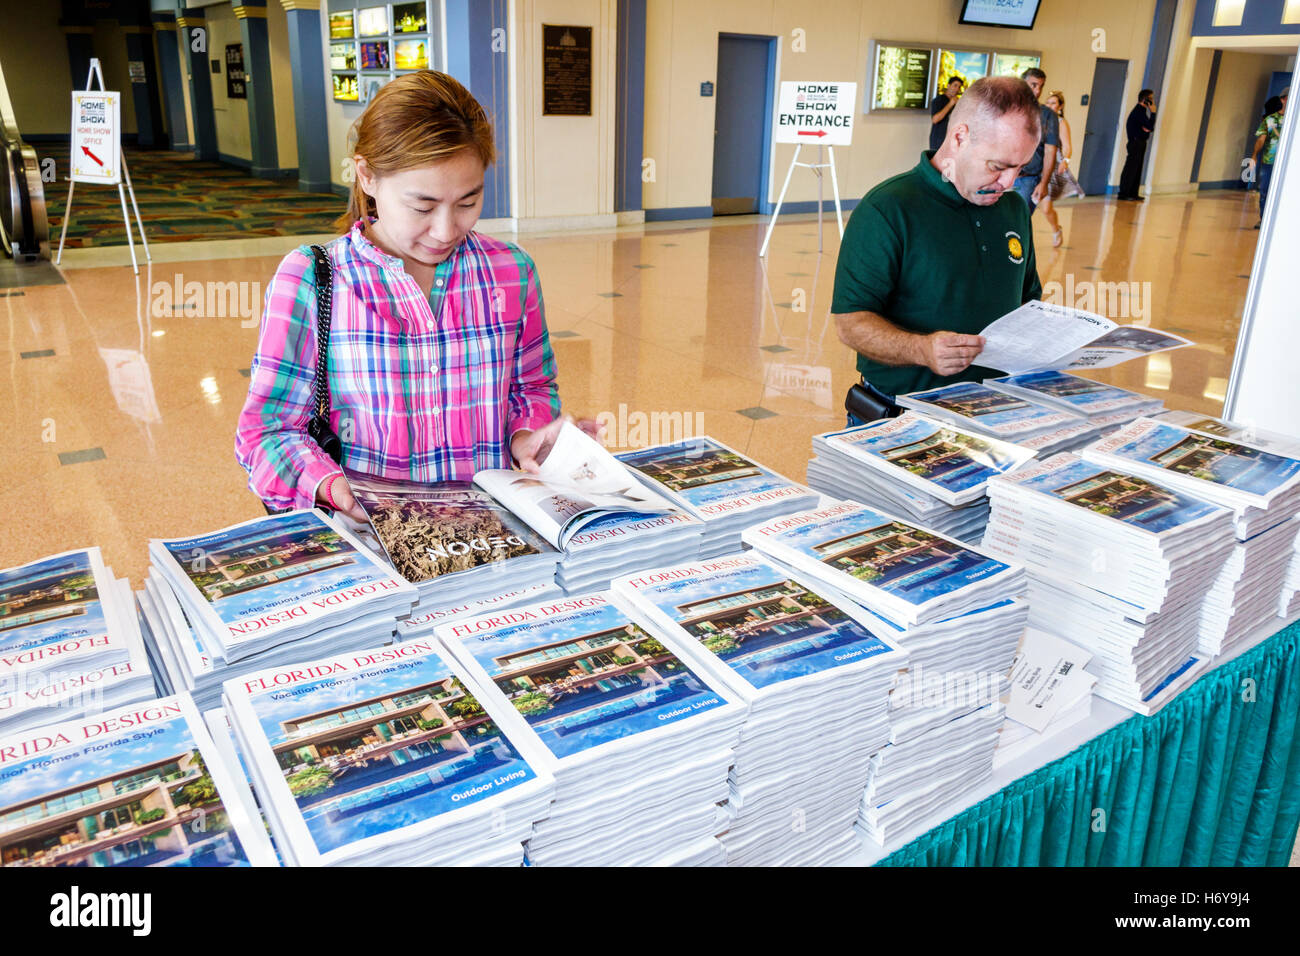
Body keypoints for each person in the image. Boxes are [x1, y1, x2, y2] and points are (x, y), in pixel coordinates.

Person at [236, 71, 582, 521]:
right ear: (367, 176)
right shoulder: (312, 278)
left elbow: (531, 386)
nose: (445, 230)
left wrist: (528, 436)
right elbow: (267, 432)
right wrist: (333, 488)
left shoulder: (511, 271)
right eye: (422, 206)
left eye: (468, 201)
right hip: (374, 541)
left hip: (491, 527)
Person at [832, 76, 1043, 422]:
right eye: (998, 166)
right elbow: (850, 322)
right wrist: (922, 349)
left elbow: (1027, 299)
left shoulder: (1013, 209)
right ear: (959, 137)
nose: (1008, 183)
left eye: (1020, 169)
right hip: (902, 413)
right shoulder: (888, 208)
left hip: (993, 409)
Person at [1040, 90, 1085, 248]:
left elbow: (1067, 146)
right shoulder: (1041, 119)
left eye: (1053, 103)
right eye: (1048, 102)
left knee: (1046, 208)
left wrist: (1065, 160)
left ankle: (1056, 229)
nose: (1050, 106)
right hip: (1036, 163)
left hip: (1051, 165)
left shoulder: (1060, 123)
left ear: (1060, 107)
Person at [1011, 67, 1059, 215]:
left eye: (1041, 86)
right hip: (1002, 175)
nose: (1038, 91)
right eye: (1033, 85)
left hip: (1027, 180)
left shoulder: (1048, 116)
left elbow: (1050, 151)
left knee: (1018, 223)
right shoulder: (1008, 108)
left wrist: (1043, 183)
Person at [1250, 87, 1288, 228]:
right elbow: (1261, 139)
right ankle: (1264, 220)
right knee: (1265, 191)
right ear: (1282, 99)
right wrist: (1254, 156)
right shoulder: (1270, 119)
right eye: (1287, 98)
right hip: (1269, 162)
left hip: (1289, 164)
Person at [1118, 89, 1156, 201]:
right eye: (1151, 98)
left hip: (1140, 142)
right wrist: (1153, 113)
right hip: (1135, 142)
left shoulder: (1142, 112)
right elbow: (1149, 127)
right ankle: (1124, 193)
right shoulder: (1138, 112)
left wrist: (1147, 128)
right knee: (1131, 168)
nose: (1153, 101)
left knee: (1137, 169)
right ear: (1146, 100)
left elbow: (1149, 128)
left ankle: (1133, 193)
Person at [929, 76, 964, 152]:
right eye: (955, 85)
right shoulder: (938, 100)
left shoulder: (958, 102)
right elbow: (935, 119)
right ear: (948, 85)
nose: (957, 89)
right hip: (938, 140)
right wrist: (950, 104)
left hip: (952, 141)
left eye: (959, 87)